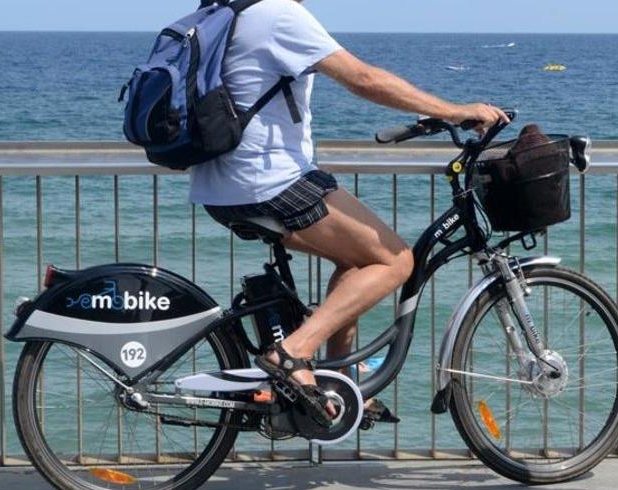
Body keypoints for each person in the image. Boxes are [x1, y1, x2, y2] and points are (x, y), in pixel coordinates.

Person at [189, 0, 507, 425]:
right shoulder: (278, 14)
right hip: (268, 181)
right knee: (395, 259)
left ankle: (340, 376)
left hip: (218, 184)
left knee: (357, 258)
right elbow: (362, 78)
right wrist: (454, 110)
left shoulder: (224, 14)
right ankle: (292, 353)